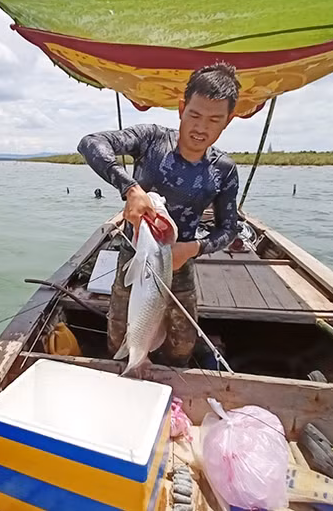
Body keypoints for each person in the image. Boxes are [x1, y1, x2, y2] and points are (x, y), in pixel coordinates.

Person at [77, 62, 241, 367]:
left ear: (227, 122)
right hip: (133, 260)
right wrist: (130, 188)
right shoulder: (152, 140)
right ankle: (131, 374)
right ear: (181, 108)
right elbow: (90, 143)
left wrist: (193, 249)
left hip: (180, 264)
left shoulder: (224, 170)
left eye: (214, 120)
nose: (201, 128)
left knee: (182, 345)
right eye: (194, 114)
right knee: (119, 339)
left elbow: (229, 229)